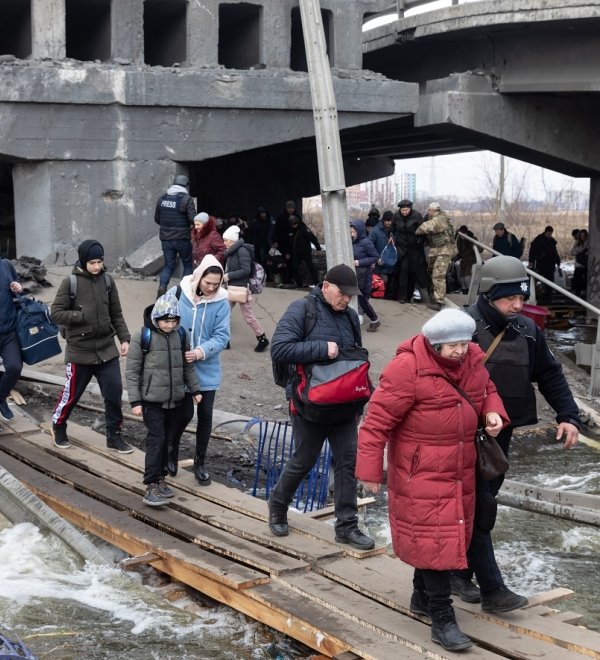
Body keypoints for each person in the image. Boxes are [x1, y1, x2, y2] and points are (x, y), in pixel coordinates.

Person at [356, 308, 507, 652]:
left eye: (464, 343)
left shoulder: (472, 361)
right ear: (434, 344)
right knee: (437, 539)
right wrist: (368, 471)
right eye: (451, 346)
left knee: (442, 538)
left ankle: (421, 596)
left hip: (460, 470)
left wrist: (493, 412)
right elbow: (376, 421)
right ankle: (442, 617)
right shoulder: (407, 369)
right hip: (419, 473)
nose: (460, 351)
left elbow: (488, 390)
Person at [450, 255, 580, 612]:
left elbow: (550, 374)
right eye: (511, 299)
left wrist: (568, 415)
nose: (519, 305)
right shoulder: (460, 328)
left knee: (476, 505)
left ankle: (457, 572)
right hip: (460, 437)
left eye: (522, 298)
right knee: (480, 505)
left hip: (500, 437)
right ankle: (492, 589)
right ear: (490, 294)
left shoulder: (527, 330)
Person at [268, 264, 374, 551]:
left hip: (344, 405)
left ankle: (347, 526)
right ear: (326, 286)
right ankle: (277, 506)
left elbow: (354, 361)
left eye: (351, 296)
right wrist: (320, 348)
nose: (347, 300)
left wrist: (362, 398)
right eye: (343, 294)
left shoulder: (351, 317)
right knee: (304, 460)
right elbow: (279, 348)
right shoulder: (302, 309)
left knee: (347, 463)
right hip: (308, 404)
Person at [50, 240, 133, 453]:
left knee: (114, 394)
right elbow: (56, 313)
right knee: (72, 395)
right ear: (83, 260)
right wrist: (80, 315)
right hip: (80, 351)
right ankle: (58, 425)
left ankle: (113, 436)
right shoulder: (70, 283)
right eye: (92, 262)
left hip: (106, 349)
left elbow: (116, 313)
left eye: (100, 261)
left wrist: (124, 339)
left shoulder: (107, 281)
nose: (97, 266)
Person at [126, 289, 202, 506]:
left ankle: (161, 480)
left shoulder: (180, 335)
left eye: (173, 320)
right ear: (156, 318)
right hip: (151, 401)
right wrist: (135, 401)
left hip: (175, 399)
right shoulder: (143, 336)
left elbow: (186, 366)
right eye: (165, 321)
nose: (170, 325)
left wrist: (195, 390)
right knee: (156, 440)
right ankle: (150, 485)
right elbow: (132, 371)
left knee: (167, 440)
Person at [164, 255, 231, 486]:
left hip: (207, 367)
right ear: (199, 276)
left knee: (205, 415)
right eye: (207, 282)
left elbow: (222, 336)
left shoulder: (221, 301)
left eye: (216, 283)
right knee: (183, 414)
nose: (211, 288)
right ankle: (171, 451)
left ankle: (200, 462)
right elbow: (159, 317)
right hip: (180, 367)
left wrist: (200, 351)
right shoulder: (178, 292)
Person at [222, 224, 270, 353]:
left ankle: (262, 338)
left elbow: (246, 270)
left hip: (242, 288)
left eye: (226, 240)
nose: (224, 243)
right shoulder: (232, 251)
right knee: (223, 314)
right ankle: (224, 340)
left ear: (233, 240)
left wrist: (228, 276)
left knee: (248, 316)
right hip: (232, 288)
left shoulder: (241, 251)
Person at [154, 174, 197, 297]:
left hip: (166, 238)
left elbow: (157, 219)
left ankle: (162, 287)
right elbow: (193, 219)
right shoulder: (186, 199)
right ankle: (183, 292)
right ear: (186, 185)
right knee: (187, 264)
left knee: (169, 265)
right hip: (182, 238)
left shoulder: (162, 198)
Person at [415, 202, 455, 310]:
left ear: (433, 210)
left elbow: (425, 227)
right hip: (438, 250)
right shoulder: (441, 218)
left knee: (438, 276)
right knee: (432, 273)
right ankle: (435, 299)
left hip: (444, 250)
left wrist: (415, 230)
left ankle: (439, 302)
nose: (428, 213)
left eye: (429, 211)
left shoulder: (439, 219)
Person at [0, 258, 24, 425]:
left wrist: (17, 287)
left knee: (15, 367)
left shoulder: (5, 265)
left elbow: (17, 286)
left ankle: (0, 398)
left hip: (8, 331)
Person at [393, 200, 430, 304]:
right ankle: (403, 297)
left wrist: (421, 240)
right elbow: (392, 230)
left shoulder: (417, 215)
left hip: (415, 249)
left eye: (406, 210)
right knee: (403, 271)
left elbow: (424, 230)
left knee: (415, 272)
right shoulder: (396, 216)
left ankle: (420, 296)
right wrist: (393, 237)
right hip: (402, 248)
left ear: (410, 209)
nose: (404, 212)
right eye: (402, 210)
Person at [350, 220, 381, 331]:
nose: (352, 234)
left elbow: (375, 257)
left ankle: (374, 320)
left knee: (362, 299)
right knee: (357, 297)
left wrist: (359, 262)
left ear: (360, 231)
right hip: (356, 274)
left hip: (364, 275)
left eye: (354, 232)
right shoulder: (353, 241)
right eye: (351, 231)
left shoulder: (366, 242)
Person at [528, 225, 562, 299]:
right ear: (545, 232)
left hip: (550, 263)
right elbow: (532, 251)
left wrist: (558, 261)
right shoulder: (538, 240)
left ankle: (548, 295)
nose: (549, 235)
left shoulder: (552, 241)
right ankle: (534, 293)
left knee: (549, 280)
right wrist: (531, 261)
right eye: (548, 233)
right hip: (540, 263)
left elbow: (555, 253)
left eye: (550, 233)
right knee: (536, 279)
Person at [369, 210, 397, 299]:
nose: (389, 223)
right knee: (384, 281)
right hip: (379, 265)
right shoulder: (375, 231)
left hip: (392, 264)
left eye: (391, 221)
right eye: (387, 221)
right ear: (383, 220)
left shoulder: (394, 230)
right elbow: (369, 246)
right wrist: (377, 258)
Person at [289, 214, 321, 288]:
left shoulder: (304, 229)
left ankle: (316, 283)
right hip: (296, 253)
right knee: (294, 268)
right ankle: (299, 284)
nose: (294, 225)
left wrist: (318, 247)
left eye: (295, 224)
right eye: (292, 224)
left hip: (306, 252)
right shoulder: (291, 230)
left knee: (311, 267)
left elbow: (312, 238)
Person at [272, 201, 299, 284]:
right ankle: (285, 279)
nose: (291, 210)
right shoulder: (281, 217)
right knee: (283, 261)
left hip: (293, 244)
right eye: (289, 208)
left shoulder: (297, 217)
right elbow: (276, 230)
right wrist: (275, 241)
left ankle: (290, 279)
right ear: (286, 208)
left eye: (292, 208)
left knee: (292, 262)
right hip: (283, 242)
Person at [454, 225, 482, 294]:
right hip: (464, 262)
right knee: (462, 279)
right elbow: (461, 253)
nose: (461, 236)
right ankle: (465, 293)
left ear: (466, 233)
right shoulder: (459, 240)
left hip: (472, 262)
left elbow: (481, 249)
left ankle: (472, 293)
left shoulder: (472, 239)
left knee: (467, 278)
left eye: (463, 234)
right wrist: (455, 258)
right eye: (460, 234)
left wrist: (475, 248)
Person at [570, 228, 588, 298]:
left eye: (584, 236)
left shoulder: (589, 242)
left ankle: (583, 294)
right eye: (581, 236)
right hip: (579, 264)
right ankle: (578, 294)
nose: (582, 237)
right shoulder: (578, 243)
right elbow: (572, 252)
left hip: (586, 265)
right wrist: (581, 251)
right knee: (577, 280)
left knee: (585, 281)